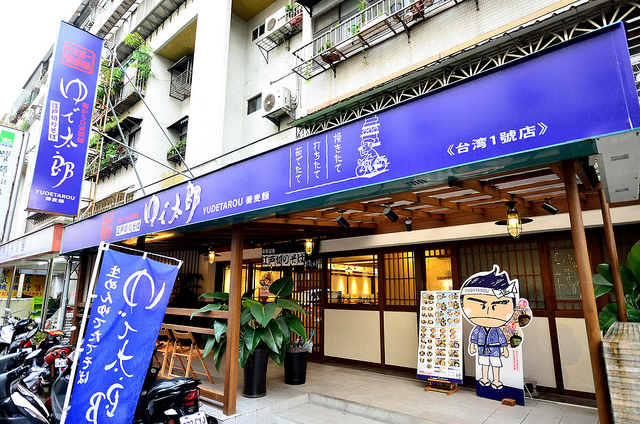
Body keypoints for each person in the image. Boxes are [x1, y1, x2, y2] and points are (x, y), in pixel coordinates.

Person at [460, 265, 517, 390]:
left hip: (495, 349)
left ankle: (496, 380)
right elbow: (473, 337)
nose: (487, 311)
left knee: (496, 364)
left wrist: (505, 349)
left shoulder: (496, 328)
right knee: (484, 364)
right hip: (482, 349)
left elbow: (502, 338)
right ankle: (484, 378)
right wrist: (472, 346)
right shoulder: (478, 328)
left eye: (496, 306)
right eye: (480, 306)